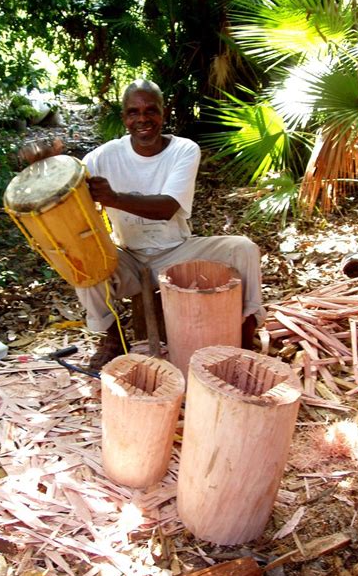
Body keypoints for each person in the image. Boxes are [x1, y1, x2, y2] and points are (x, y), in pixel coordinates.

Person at [74, 79, 266, 368]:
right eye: (133, 112)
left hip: (178, 252)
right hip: (128, 256)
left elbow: (166, 208)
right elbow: (70, 190)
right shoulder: (102, 157)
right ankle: (113, 338)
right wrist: (44, 167)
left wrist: (112, 197)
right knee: (80, 262)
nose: (142, 119)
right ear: (124, 117)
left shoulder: (184, 150)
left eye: (150, 110)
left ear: (163, 113)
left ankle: (244, 333)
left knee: (244, 249)